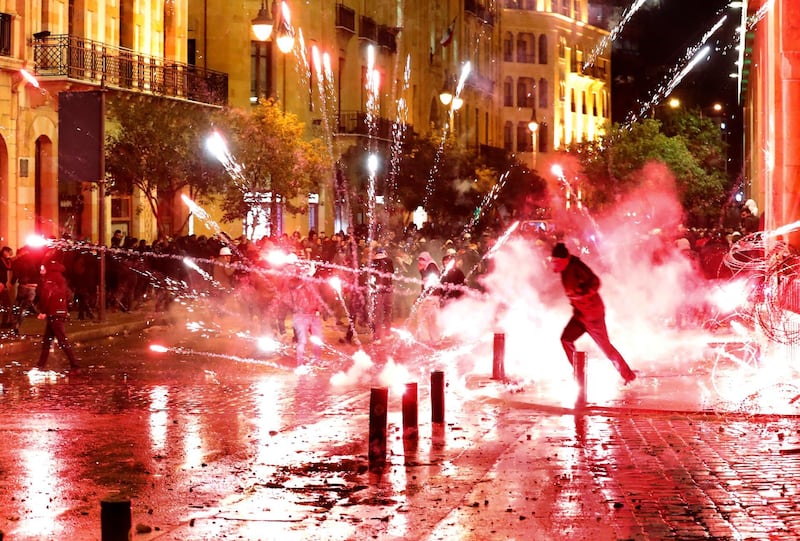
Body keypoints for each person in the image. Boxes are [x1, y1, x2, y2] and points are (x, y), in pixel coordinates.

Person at [550, 242, 636, 385]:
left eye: (557, 261)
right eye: (553, 261)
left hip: (593, 315)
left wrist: (582, 294)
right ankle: (579, 372)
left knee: (605, 348)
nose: (554, 265)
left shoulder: (577, 266)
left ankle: (628, 376)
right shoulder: (564, 270)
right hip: (580, 314)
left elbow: (595, 282)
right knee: (566, 339)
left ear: (565, 259)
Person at [36, 259, 81, 374]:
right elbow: (68, 294)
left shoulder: (49, 279)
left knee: (62, 340)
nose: (41, 269)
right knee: (47, 340)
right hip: (58, 312)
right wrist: (66, 308)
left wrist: (43, 311)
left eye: (43, 267)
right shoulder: (61, 278)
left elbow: (46, 296)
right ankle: (40, 365)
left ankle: (75, 365)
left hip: (53, 312)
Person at [288, 261, 328, 374]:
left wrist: (319, 309)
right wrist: (307, 276)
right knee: (303, 341)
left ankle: (317, 360)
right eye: (306, 269)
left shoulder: (312, 282)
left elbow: (317, 296)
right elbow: (295, 288)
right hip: (301, 316)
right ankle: (300, 365)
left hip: (313, 315)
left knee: (318, 339)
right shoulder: (295, 281)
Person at [413, 251, 441, 344]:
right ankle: (435, 339)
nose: (420, 262)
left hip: (430, 297)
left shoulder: (430, 266)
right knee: (432, 318)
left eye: (422, 259)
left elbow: (429, 284)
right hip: (432, 296)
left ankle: (425, 339)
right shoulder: (430, 266)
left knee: (423, 317)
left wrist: (421, 297)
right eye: (419, 260)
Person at [370, 247, 394, 344]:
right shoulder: (389, 260)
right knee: (387, 312)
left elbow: (371, 275)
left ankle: (377, 337)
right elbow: (392, 272)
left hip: (377, 290)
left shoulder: (373, 261)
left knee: (378, 314)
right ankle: (388, 334)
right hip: (388, 289)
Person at [0, 246, 13, 328]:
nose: (8, 254)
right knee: (6, 304)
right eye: (8, 252)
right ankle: (5, 322)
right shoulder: (1, 260)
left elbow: (9, 267)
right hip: (1, 284)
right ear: (4, 251)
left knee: (7, 304)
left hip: (3, 284)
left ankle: (5, 322)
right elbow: (8, 267)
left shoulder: (5, 260)